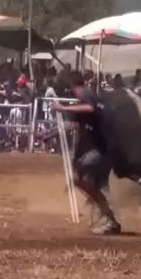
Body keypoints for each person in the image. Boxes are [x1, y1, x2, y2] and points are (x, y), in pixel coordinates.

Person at [51, 71, 120, 235]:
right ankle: (108, 217)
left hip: (101, 150)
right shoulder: (87, 98)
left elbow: (89, 108)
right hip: (103, 150)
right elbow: (72, 124)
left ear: (71, 86)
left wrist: (63, 107)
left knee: (80, 178)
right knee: (91, 185)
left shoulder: (87, 95)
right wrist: (49, 134)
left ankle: (107, 215)